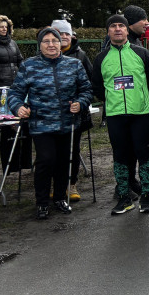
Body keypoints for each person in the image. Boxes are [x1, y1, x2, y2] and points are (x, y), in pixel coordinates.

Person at [7, 27, 93, 219]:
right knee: (46, 160)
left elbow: (87, 89)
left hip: (68, 122)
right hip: (41, 124)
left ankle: (60, 198)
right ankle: (42, 202)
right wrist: (18, 107)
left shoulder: (74, 64)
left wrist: (81, 103)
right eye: (46, 41)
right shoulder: (29, 66)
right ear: (40, 45)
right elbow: (15, 93)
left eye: (54, 41)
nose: (51, 45)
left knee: (64, 161)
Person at [92, 13, 149, 216]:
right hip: (115, 115)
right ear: (108, 31)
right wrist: (113, 101)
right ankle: (124, 197)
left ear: (127, 29)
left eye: (121, 25)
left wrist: (140, 98)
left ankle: (145, 196)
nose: (118, 29)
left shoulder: (142, 53)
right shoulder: (101, 58)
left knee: (143, 154)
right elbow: (97, 87)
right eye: (113, 26)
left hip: (140, 113)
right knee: (120, 156)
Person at [52, 19, 94, 202]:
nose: (63, 37)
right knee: (52, 151)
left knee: (72, 149)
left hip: (75, 112)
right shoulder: (44, 54)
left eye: (67, 34)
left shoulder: (81, 56)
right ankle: (56, 185)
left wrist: (81, 101)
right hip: (51, 113)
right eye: (60, 34)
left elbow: (90, 83)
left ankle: (72, 184)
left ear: (72, 36)